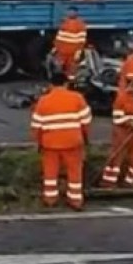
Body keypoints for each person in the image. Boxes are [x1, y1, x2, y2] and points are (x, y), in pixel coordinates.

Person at [30, 70, 93, 210]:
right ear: (66, 83)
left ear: (51, 85)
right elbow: (86, 121)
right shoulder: (77, 98)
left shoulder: (43, 101)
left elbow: (36, 126)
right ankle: (75, 200)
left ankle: (50, 199)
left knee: (50, 172)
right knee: (74, 171)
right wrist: (85, 138)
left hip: (50, 144)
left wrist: (39, 143)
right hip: (73, 142)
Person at [51, 8, 88, 79]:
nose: (70, 13)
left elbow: (82, 40)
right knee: (58, 66)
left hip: (72, 51)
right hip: (62, 51)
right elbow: (59, 37)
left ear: (76, 13)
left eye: (72, 12)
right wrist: (55, 47)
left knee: (71, 68)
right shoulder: (65, 23)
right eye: (69, 12)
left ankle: (70, 82)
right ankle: (61, 81)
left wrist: (79, 51)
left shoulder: (80, 25)